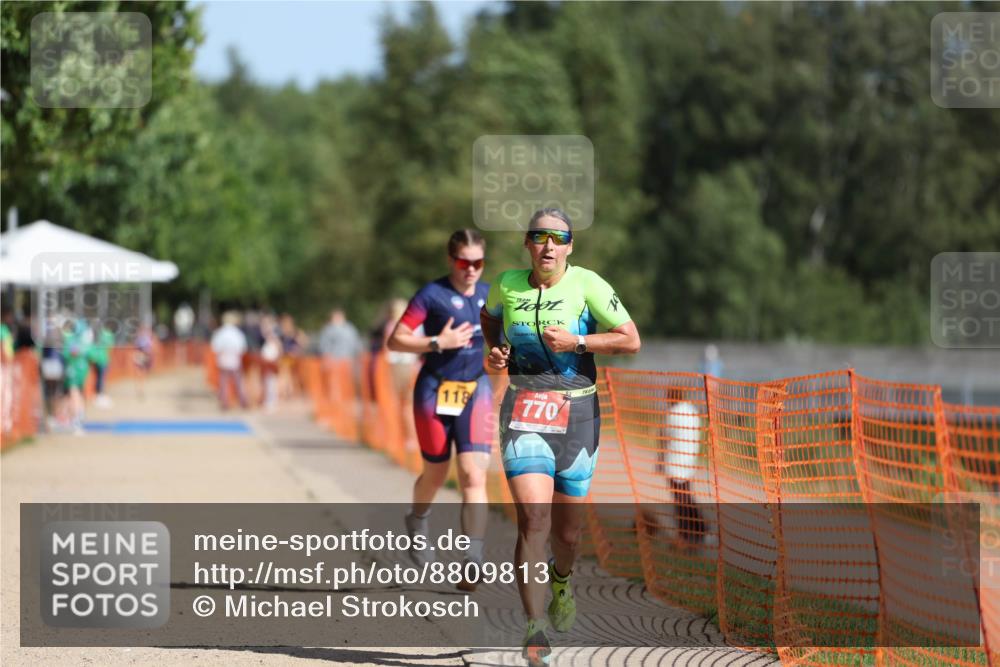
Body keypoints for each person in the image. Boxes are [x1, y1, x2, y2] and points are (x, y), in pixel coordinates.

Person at [480, 208, 640, 665]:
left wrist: (579, 344)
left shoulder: (588, 284)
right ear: (527, 244)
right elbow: (489, 320)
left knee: (568, 534)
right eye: (539, 236)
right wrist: (495, 353)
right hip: (525, 409)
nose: (548, 245)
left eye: (558, 238)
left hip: (579, 413)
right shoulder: (506, 284)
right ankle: (534, 630)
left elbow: (630, 340)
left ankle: (562, 581)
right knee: (534, 520)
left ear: (570, 246)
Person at [387, 229, 493, 589]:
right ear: (451, 260)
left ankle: (472, 557)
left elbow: (506, 334)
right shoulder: (432, 295)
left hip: (476, 389)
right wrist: (437, 342)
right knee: (435, 473)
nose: (471, 270)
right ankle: (417, 520)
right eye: (464, 262)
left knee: (472, 475)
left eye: (478, 263)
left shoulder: (490, 294)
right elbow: (396, 338)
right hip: (434, 389)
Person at [211, 311, 249, 410]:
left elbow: (215, 347)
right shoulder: (237, 333)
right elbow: (242, 348)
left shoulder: (220, 332)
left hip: (223, 360)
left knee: (224, 382)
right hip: (235, 360)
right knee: (238, 382)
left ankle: (225, 402)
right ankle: (243, 401)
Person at [62, 318, 93, 435]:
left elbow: (70, 353)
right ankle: (74, 418)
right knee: (76, 394)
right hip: (82, 370)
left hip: (74, 370)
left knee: (74, 393)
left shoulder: (72, 341)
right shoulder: (85, 341)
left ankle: (76, 420)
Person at [88, 323, 115, 407]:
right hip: (102, 360)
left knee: (99, 378)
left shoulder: (96, 335)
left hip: (98, 359)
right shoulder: (107, 335)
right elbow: (110, 347)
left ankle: (99, 394)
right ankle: (99, 395)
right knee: (101, 378)